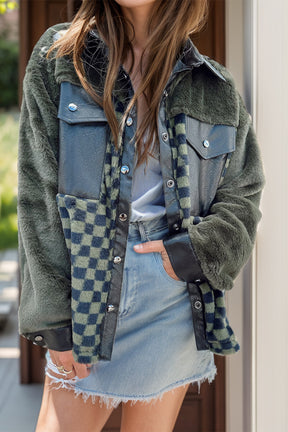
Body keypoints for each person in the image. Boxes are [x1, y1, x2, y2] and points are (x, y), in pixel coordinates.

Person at [17, 0, 265, 431]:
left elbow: (244, 192)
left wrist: (194, 253)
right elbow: (38, 194)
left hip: (171, 294)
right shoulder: (60, 58)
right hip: (87, 287)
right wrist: (54, 320)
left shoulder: (214, 87)